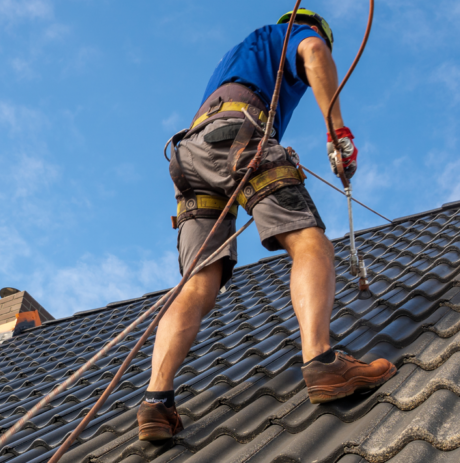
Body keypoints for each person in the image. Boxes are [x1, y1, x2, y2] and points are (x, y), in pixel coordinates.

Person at [137, 9, 398, 442]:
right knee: (310, 243)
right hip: (239, 135)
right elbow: (313, 51)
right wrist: (338, 135)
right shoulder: (297, 35)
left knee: (198, 283)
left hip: (191, 155)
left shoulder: (240, 55)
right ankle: (321, 361)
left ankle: (156, 404)